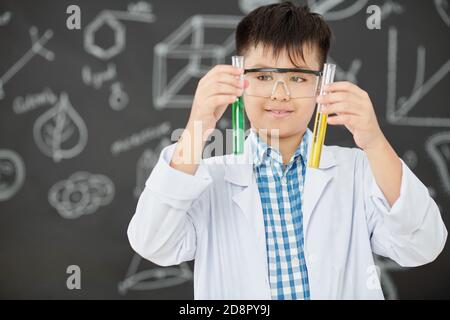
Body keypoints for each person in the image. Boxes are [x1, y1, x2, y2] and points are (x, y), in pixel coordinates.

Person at [127, 2, 447, 299]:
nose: (280, 95)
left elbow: (423, 245)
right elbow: (153, 243)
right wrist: (198, 125)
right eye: (264, 76)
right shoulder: (209, 178)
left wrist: (375, 141)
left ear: (321, 85)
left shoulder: (359, 170)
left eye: (297, 77)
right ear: (239, 80)